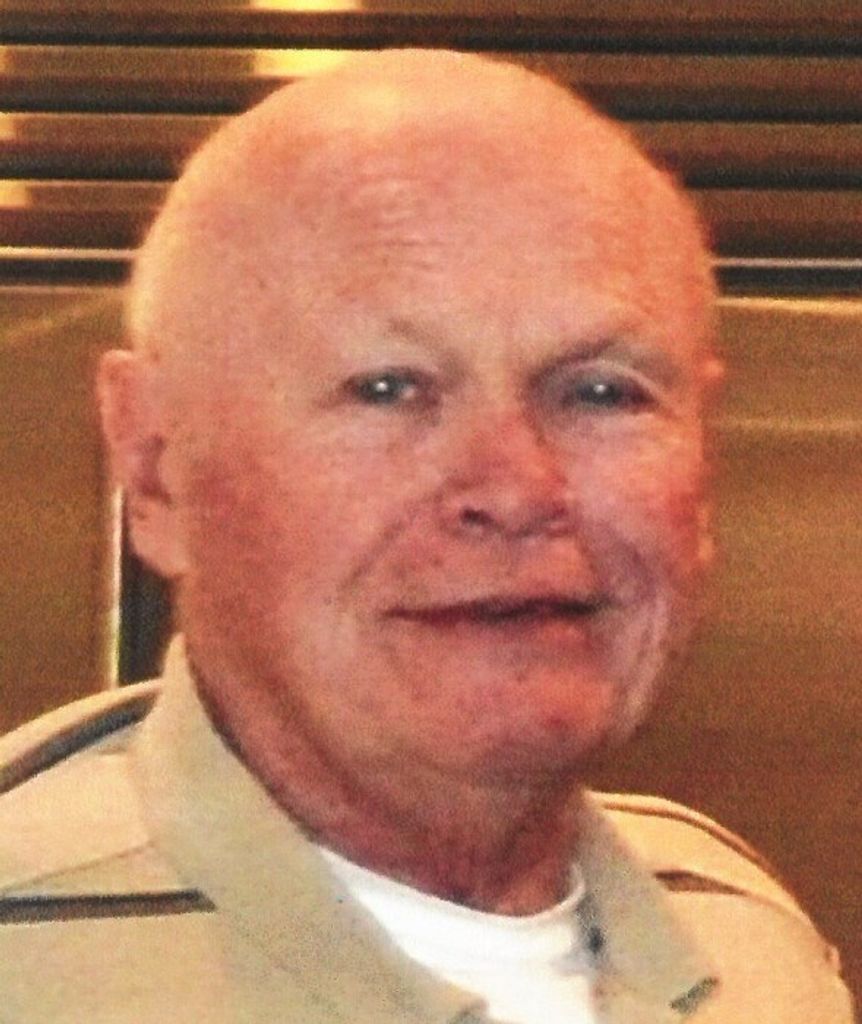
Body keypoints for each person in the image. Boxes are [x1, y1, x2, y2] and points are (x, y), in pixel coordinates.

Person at [0, 49, 853, 1023]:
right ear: (155, 465)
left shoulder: (750, 947)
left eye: (601, 392)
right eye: (388, 388)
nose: (517, 488)